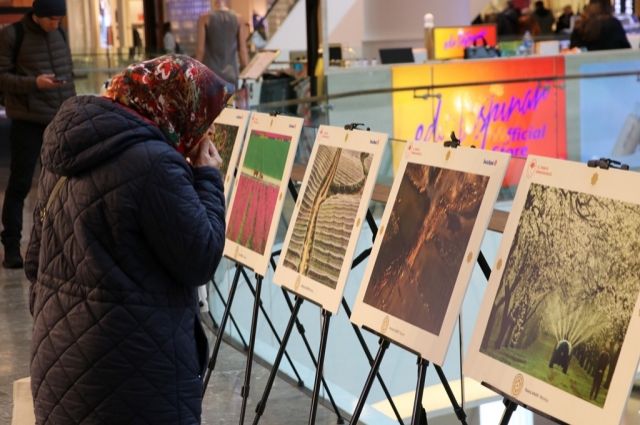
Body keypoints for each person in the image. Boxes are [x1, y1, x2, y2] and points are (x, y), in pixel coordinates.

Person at [25, 55, 229, 424]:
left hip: (59, 363)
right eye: (204, 121)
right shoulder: (155, 165)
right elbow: (202, 256)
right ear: (177, 106)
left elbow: (34, 260)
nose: (205, 133)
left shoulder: (67, 148)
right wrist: (207, 178)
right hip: (133, 377)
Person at [0, 0, 75, 269]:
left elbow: (69, 74)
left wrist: (73, 108)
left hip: (59, 119)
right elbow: (2, 77)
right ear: (38, 15)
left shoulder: (60, 33)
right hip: (28, 121)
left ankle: (59, 244)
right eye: (51, 19)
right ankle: (11, 245)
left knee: (62, 184)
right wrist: (34, 83)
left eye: (59, 20)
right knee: (20, 184)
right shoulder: (13, 35)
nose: (55, 25)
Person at [196, 0, 249, 88]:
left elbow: (200, 51)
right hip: (232, 74)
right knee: (230, 101)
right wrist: (247, 73)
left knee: (212, 101)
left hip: (210, 74)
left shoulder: (204, 18)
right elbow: (242, 51)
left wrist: (195, 73)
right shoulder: (238, 19)